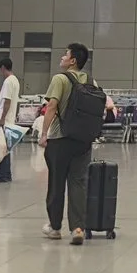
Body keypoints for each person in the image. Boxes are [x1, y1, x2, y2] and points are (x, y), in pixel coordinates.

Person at [37, 42, 101, 244]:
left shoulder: (60, 79)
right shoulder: (92, 81)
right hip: (83, 140)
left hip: (60, 139)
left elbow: (52, 107)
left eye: (65, 55)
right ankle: (78, 228)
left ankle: (55, 228)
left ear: (73, 60)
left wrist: (44, 133)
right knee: (78, 182)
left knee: (56, 183)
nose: (62, 58)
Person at [0, 57, 21, 181]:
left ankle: (4, 174)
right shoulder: (15, 80)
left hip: (4, 120)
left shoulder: (8, 81)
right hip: (9, 119)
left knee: (3, 148)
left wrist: (2, 118)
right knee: (4, 147)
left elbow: (7, 101)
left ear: (2, 67)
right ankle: (3, 172)